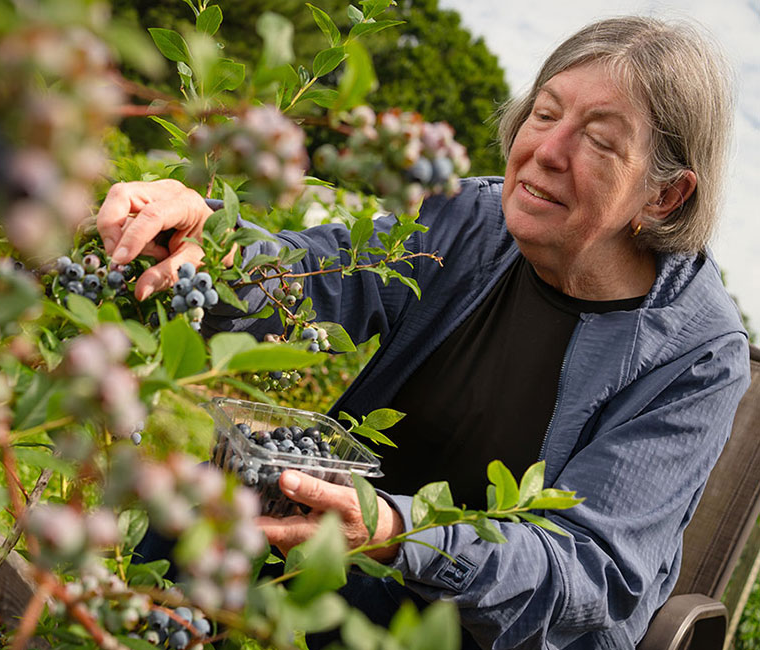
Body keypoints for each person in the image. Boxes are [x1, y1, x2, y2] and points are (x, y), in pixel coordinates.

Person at [96, 16, 752, 650]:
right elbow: (318, 278)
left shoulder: (697, 352)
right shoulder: (469, 220)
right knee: (209, 505)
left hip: (488, 627)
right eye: (545, 114)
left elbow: (589, 574)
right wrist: (212, 241)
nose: (546, 151)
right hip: (356, 548)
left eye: (600, 141)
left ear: (663, 197)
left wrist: (398, 533)